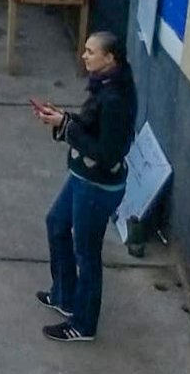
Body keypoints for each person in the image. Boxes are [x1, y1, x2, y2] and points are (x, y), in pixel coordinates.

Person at [34, 31, 138, 343]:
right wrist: (64, 119)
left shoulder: (116, 98)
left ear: (110, 58)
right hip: (83, 177)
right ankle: (65, 295)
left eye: (91, 51)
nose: (85, 55)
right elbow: (92, 126)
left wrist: (66, 128)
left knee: (87, 252)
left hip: (97, 186)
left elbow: (108, 153)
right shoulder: (105, 85)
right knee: (56, 223)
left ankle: (83, 323)